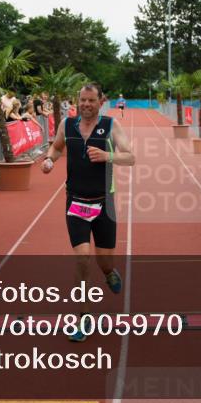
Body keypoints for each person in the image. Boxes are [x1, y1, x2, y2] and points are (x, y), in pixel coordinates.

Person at [42, 83, 135, 342]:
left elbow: (130, 157)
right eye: (82, 100)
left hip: (105, 202)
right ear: (77, 101)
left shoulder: (111, 126)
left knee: (104, 262)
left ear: (100, 101)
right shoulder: (67, 125)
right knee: (82, 259)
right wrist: (50, 159)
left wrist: (108, 155)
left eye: (91, 100)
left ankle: (108, 273)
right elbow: (57, 147)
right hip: (76, 202)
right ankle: (83, 318)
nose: (86, 105)